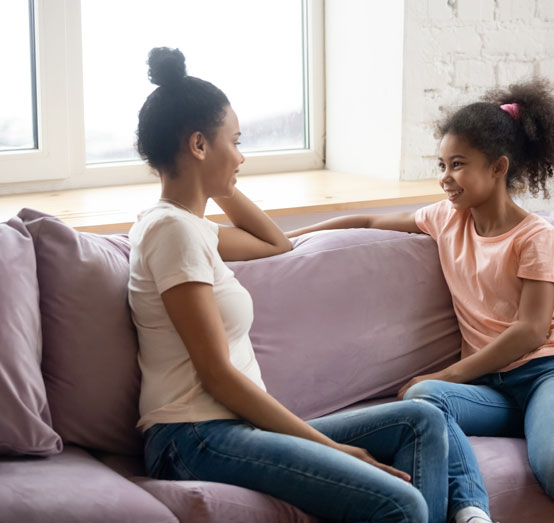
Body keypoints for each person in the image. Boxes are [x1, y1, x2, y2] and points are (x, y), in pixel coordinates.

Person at [287, 79, 554, 523]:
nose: (444, 178)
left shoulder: (539, 239)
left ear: (498, 168)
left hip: (549, 372)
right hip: (492, 388)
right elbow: (369, 219)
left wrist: (451, 372)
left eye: (457, 164)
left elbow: (530, 330)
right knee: (425, 397)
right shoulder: (445, 219)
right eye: (441, 164)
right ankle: (473, 510)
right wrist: (289, 240)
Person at [129, 47, 449, 523]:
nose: (241, 157)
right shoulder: (171, 233)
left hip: (227, 427)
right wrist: (330, 447)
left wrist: (220, 180)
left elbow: (275, 244)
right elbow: (216, 375)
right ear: (198, 145)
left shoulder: (191, 228)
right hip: (194, 435)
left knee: (420, 421)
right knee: (401, 505)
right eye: (234, 142)